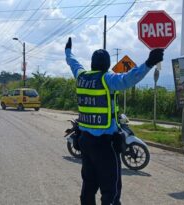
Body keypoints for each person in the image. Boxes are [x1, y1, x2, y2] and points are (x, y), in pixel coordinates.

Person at [65, 37, 163, 205]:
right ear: (107, 65)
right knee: (111, 188)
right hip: (105, 144)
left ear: (92, 64)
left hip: (85, 142)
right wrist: (149, 62)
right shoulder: (107, 80)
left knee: (88, 184)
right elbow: (130, 78)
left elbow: (73, 63)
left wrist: (68, 51)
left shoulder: (81, 76)